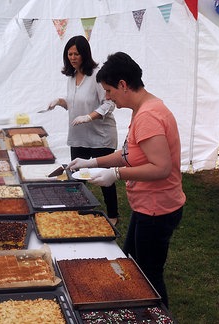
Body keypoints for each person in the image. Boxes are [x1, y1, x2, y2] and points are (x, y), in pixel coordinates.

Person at [68, 51, 186, 307]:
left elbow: (161, 168)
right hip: (150, 207)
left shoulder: (148, 116)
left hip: (157, 209)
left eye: (109, 91)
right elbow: (127, 153)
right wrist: (93, 162)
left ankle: (156, 316)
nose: (108, 97)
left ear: (123, 84)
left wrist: (117, 175)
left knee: (147, 276)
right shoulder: (145, 108)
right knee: (131, 261)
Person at [48, 35, 119, 224]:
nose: (72, 57)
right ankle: (77, 209)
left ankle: (113, 215)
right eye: (69, 54)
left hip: (100, 136)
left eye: (76, 54)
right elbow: (74, 104)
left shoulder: (96, 75)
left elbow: (109, 103)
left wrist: (89, 117)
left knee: (104, 176)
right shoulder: (71, 76)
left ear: (84, 54)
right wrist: (59, 102)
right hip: (79, 136)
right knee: (77, 175)